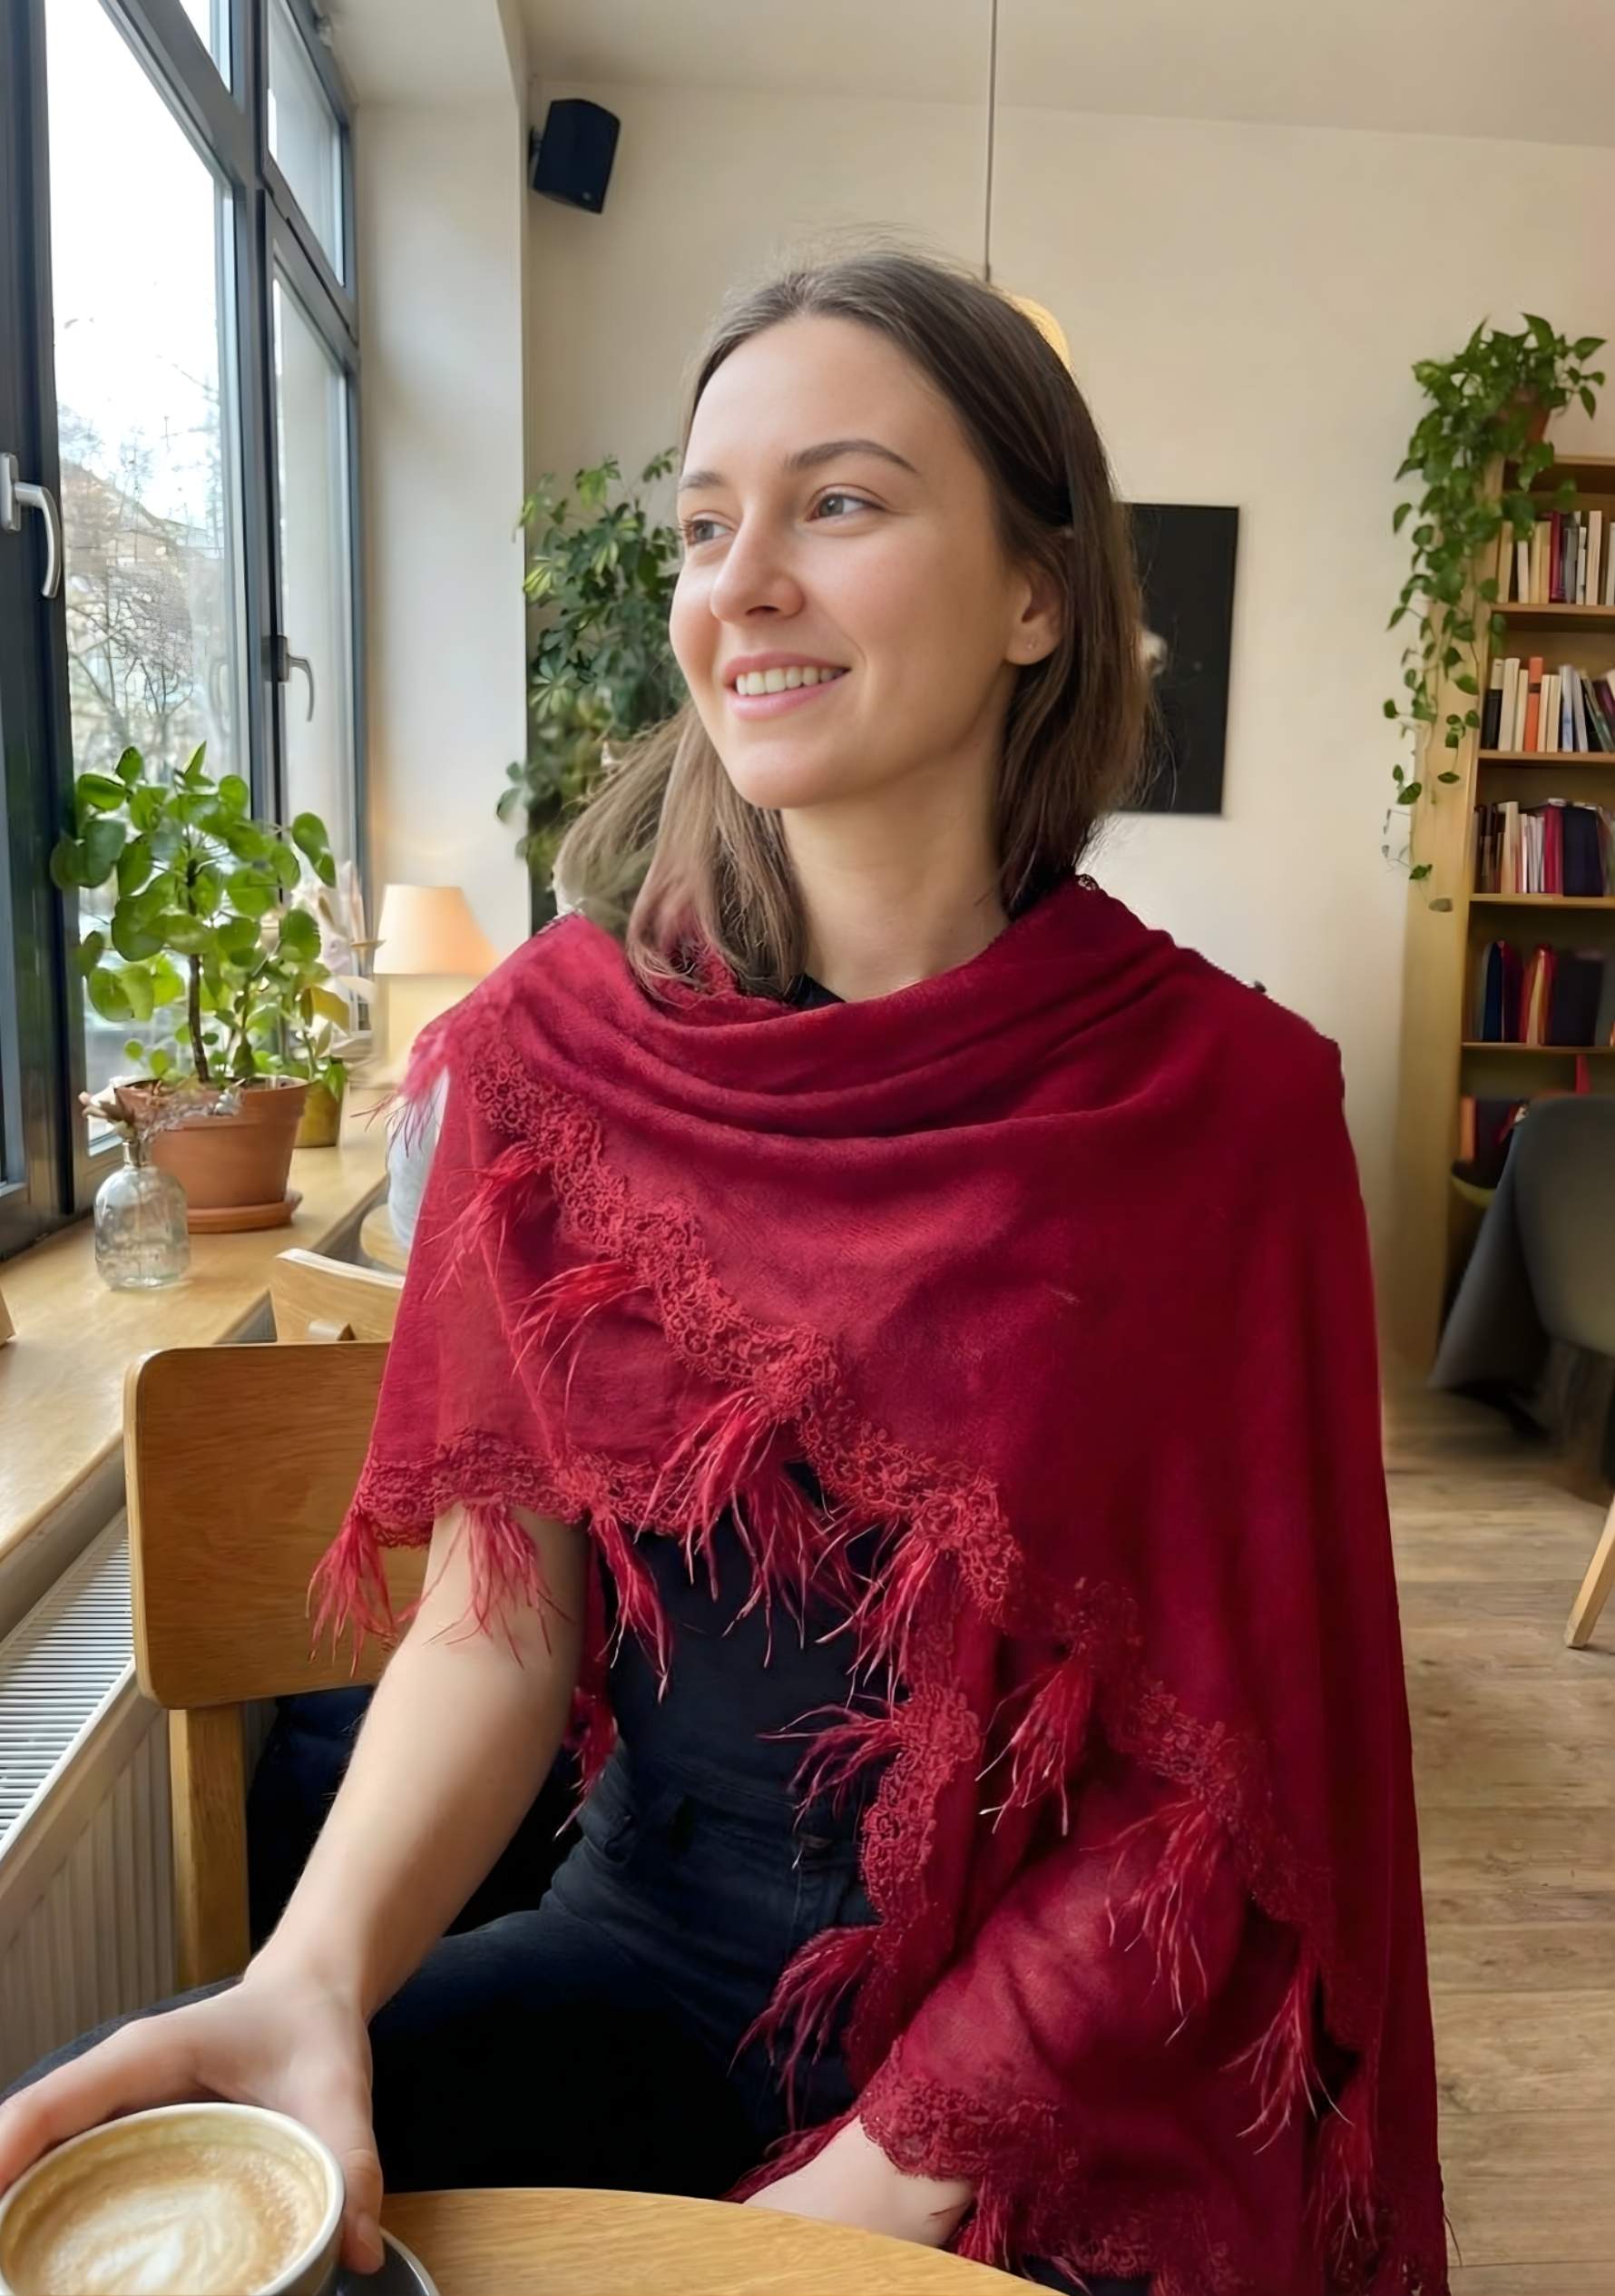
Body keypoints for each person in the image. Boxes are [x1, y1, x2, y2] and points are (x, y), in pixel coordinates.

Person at [0, 242, 1447, 2295]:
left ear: (1039, 593)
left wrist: (881, 2177)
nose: (736, 582)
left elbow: (1213, 1780)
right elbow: (499, 1629)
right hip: (656, 1956)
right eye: (701, 524)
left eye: (835, 502)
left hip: (1079, 2037)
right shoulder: (541, 1068)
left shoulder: (1229, 1113)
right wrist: (305, 1976)